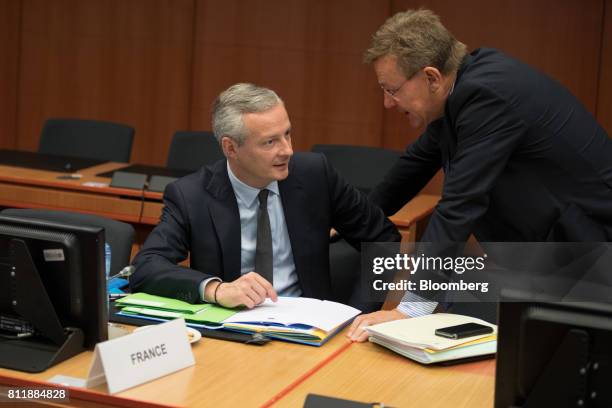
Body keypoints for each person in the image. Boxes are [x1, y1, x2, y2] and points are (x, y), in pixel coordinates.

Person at [348, 9, 612, 341]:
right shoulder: (462, 88)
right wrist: (349, 220)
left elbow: (460, 204)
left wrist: (409, 310)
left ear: (431, 77)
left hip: (593, 253)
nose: (388, 103)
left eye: (392, 90)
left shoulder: (487, 96)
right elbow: (413, 166)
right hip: (559, 254)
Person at [131, 83, 400, 310]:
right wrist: (216, 289)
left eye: (287, 134)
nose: (287, 151)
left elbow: (385, 241)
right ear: (231, 148)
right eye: (270, 142)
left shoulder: (315, 175)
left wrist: (354, 313)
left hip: (309, 328)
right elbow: (146, 266)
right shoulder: (192, 195)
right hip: (231, 331)